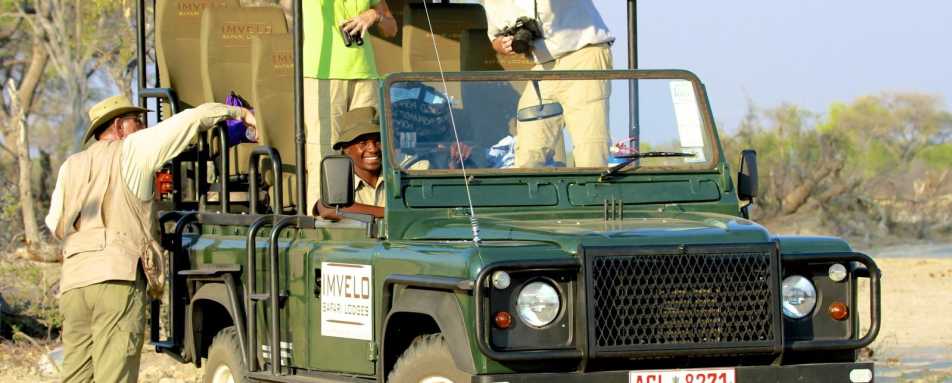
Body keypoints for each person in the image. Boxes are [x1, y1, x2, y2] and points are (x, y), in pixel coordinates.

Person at [45, 96, 256, 383]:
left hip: (74, 284)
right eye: (138, 121)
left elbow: (55, 224)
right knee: (114, 373)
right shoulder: (133, 147)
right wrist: (239, 113)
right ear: (119, 126)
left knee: (76, 375)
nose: (144, 126)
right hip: (115, 278)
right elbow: (191, 120)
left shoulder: (71, 165)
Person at [481, 0, 615, 168]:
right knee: (528, 155)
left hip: (583, 54)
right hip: (543, 67)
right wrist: (504, 45)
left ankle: (593, 193)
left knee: (590, 150)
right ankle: (531, 193)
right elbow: (495, 38)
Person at [303, 0, 397, 215]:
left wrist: (374, 15)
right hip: (322, 74)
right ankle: (321, 223)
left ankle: (376, 216)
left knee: (370, 146)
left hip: (365, 73)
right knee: (324, 150)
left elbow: (391, 28)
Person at [313, 106, 386, 220]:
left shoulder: (396, 175)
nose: (373, 149)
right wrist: (391, 213)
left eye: (378, 141)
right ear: (346, 148)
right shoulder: (335, 175)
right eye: (363, 143)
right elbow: (328, 208)